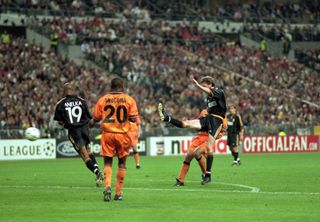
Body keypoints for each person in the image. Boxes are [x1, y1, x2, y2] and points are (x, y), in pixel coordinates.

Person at [159, 76, 227, 185]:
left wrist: (198, 86)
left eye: (205, 85)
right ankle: (167, 118)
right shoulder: (208, 103)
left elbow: (209, 91)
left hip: (216, 120)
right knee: (186, 124)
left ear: (211, 84)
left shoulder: (219, 91)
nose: (203, 88)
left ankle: (207, 175)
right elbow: (208, 94)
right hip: (208, 119)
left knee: (208, 148)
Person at [92, 77, 139, 201]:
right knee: (122, 163)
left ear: (111, 87)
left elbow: (96, 118)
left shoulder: (103, 99)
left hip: (107, 134)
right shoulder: (129, 100)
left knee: (108, 163)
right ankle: (118, 194)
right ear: (122, 87)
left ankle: (107, 186)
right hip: (123, 135)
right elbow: (134, 118)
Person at [53, 82, 103, 187]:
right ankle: (98, 171)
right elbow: (89, 119)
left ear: (65, 90)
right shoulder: (82, 101)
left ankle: (97, 172)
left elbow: (60, 121)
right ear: (73, 90)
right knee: (89, 152)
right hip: (85, 130)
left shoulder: (60, 104)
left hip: (74, 131)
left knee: (84, 156)